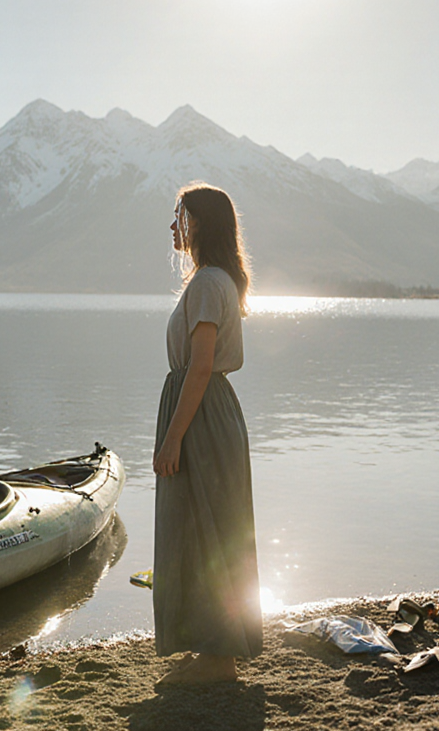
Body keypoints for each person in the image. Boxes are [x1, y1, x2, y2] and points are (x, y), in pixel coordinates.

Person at [152, 181, 262, 685]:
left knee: (205, 529)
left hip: (200, 413)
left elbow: (199, 369)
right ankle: (214, 648)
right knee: (207, 525)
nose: (173, 225)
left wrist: (173, 437)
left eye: (179, 215)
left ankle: (218, 658)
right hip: (209, 411)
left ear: (198, 224)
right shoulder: (215, 280)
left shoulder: (207, 284)